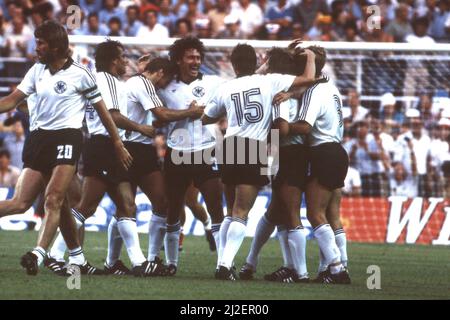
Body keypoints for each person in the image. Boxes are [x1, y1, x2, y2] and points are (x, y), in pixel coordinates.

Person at [0, 21, 131, 276]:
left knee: (54, 198)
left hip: (67, 139)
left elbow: (105, 114)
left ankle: (38, 254)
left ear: (57, 46)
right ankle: (78, 258)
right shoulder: (36, 71)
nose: (36, 47)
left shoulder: (81, 74)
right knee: (21, 203)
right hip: (38, 141)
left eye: (41, 43)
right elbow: (12, 101)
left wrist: (117, 142)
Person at [202, 43, 317, 281]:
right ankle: (224, 265)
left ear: (233, 65)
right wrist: (311, 56)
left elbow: (206, 117)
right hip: (254, 147)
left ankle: (221, 262)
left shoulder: (226, 87)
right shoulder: (269, 82)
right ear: (256, 63)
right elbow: (308, 78)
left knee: (229, 212)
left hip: (230, 145)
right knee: (241, 212)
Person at [46, 40, 158, 277]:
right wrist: (141, 128)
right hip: (104, 145)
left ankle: (138, 262)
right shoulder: (107, 81)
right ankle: (54, 254)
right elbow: (113, 116)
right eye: (123, 57)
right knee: (87, 206)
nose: (126, 61)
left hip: (108, 145)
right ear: (113, 61)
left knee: (127, 204)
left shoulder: (105, 80)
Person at [239, 46, 316, 283]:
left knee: (289, 212)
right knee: (276, 211)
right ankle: (258, 264)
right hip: (283, 153)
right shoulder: (295, 88)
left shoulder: (279, 89)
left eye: (266, 62)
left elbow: (281, 129)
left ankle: (299, 272)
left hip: (287, 153)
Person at [274, 46, 350, 284]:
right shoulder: (330, 88)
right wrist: (292, 94)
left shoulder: (314, 92)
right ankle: (335, 266)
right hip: (338, 151)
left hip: (323, 152)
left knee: (314, 213)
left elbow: (305, 127)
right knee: (332, 215)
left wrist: (282, 129)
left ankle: (337, 269)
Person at [158, 37, 225, 275]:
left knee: (216, 207)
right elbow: (158, 116)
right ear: (178, 60)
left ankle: (224, 265)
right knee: (173, 209)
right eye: (190, 57)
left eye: (198, 57)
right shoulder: (165, 87)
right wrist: (187, 113)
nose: (195, 61)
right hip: (177, 153)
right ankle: (171, 264)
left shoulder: (214, 83)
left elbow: (242, 84)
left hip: (206, 151)